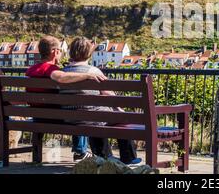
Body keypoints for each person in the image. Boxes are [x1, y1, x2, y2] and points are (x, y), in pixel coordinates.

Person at [62, 37, 141, 166]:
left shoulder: (62, 73)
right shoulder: (94, 72)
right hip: (92, 118)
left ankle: (102, 155)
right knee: (118, 117)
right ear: (89, 53)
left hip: (69, 119)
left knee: (96, 115)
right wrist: (120, 110)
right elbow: (110, 96)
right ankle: (128, 157)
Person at [25, 36, 107, 161]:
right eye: (61, 51)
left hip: (37, 115)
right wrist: (87, 75)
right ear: (55, 51)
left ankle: (81, 151)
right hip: (54, 116)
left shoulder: (31, 70)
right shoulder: (49, 69)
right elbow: (61, 77)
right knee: (78, 107)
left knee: (74, 107)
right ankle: (81, 151)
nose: (62, 54)